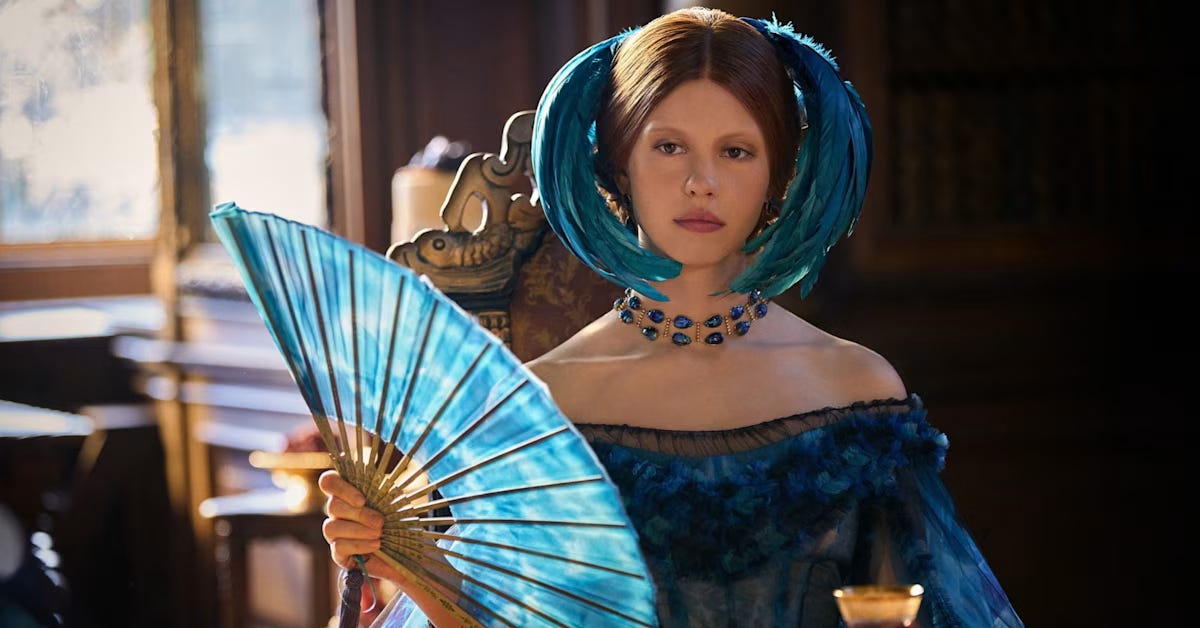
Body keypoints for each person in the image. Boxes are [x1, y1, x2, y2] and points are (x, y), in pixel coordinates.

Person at [319, 6, 1023, 627]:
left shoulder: (858, 393)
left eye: (736, 151)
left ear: (777, 177)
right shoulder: (540, 403)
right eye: (668, 146)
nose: (701, 182)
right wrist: (402, 559)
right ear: (618, 166)